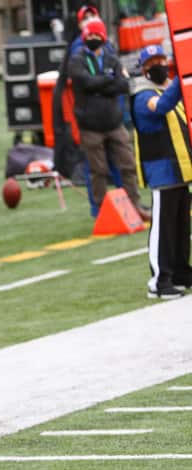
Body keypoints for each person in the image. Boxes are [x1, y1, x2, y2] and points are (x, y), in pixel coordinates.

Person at [67, 18, 145, 220]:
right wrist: (108, 80)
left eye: (96, 34)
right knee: (98, 171)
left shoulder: (112, 58)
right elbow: (84, 82)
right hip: (90, 125)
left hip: (113, 122)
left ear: (102, 36)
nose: (92, 37)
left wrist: (100, 85)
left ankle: (135, 207)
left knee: (128, 164)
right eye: (89, 34)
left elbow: (123, 85)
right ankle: (102, 213)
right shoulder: (77, 59)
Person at [131, 45, 192, 300]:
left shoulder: (166, 88)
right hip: (162, 171)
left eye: (161, 60)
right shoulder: (143, 96)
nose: (159, 65)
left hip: (180, 170)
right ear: (144, 69)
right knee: (163, 227)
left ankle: (180, 272)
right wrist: (184, 75)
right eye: (152, 62)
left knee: (181, 225)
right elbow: (164, 106)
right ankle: (158, 280)